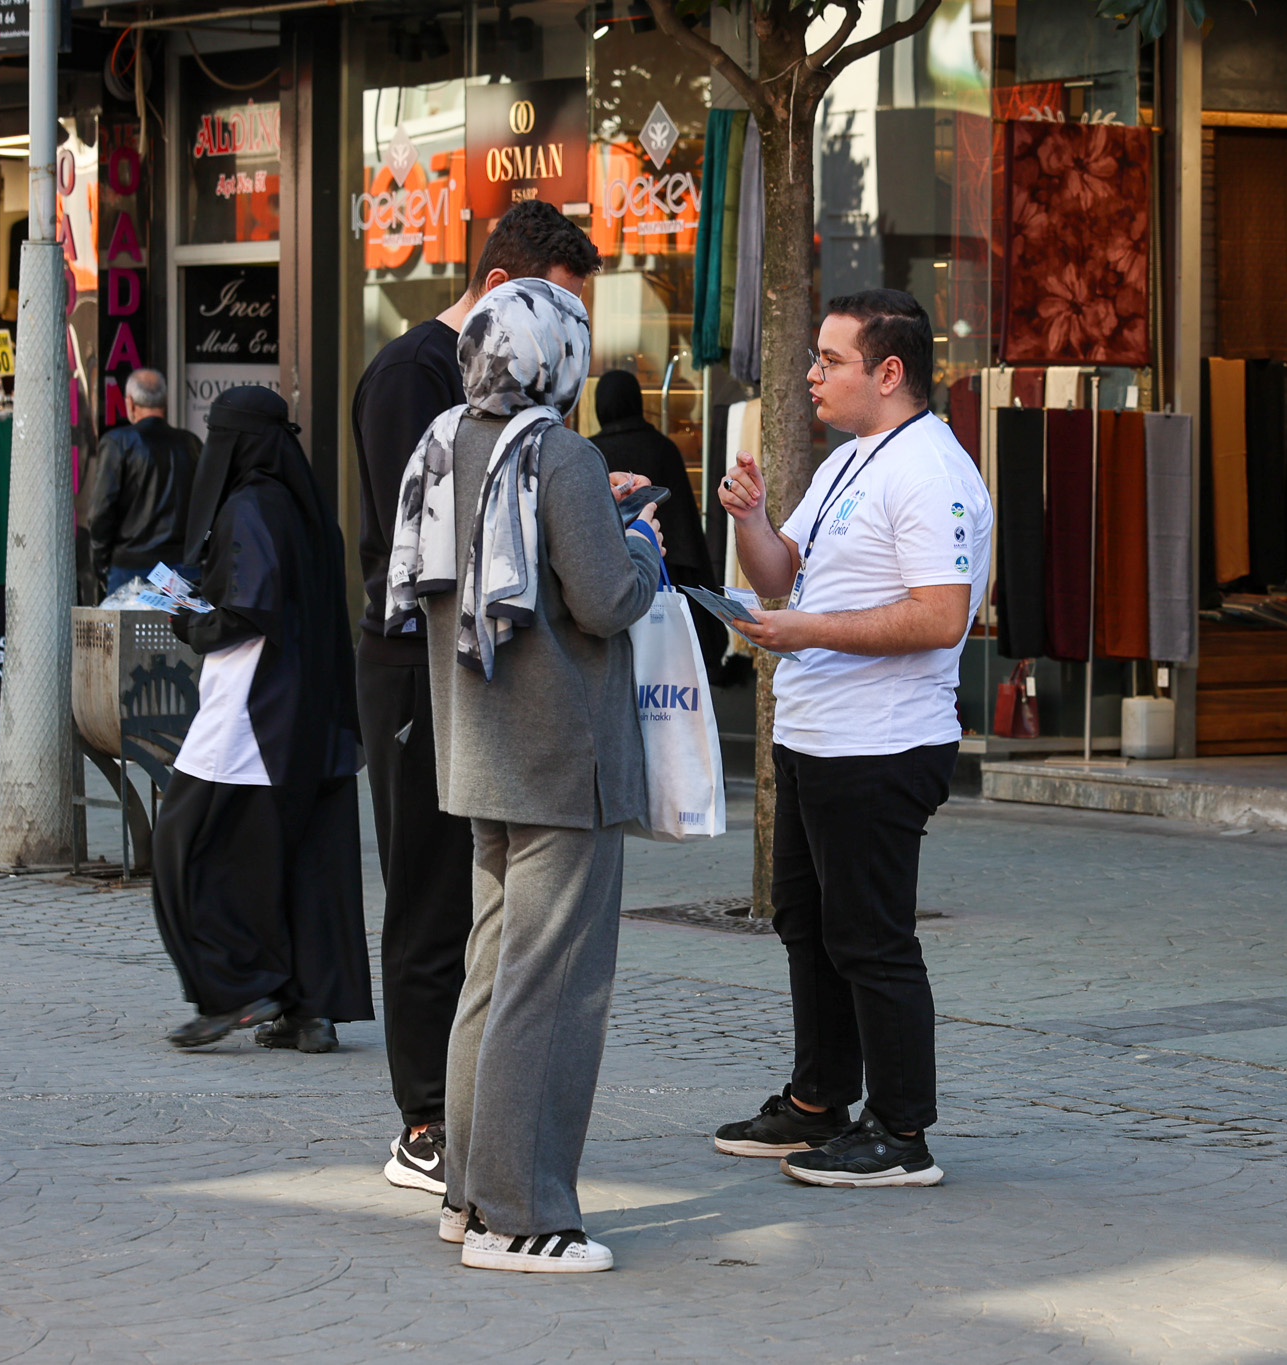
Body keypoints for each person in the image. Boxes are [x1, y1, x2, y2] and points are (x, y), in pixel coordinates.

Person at [386, 278, 662, 1272]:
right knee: (551, 992)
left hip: (480, 752)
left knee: (491, 979)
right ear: (559, 359)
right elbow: (602, 600)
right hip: (562, 756)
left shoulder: (444, 443)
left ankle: (468, 1192)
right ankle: (522, 1215)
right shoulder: (562, 453)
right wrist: (644, 547)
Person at [712, 289, 992, 1189]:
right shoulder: (849, 460)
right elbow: (784, 574)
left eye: (829, 361)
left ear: (890, 371)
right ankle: (820, 1097)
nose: (811, 376)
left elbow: (939, 616)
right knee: (806, 921)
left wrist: (807, 630)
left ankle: (903, 1132)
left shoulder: (933, 471)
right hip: (816, 734)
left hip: (881, 743)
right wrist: (751, 521)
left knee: (871, 937)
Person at [350, 200, 601, 1195]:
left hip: (477, 664)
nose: (566, 339)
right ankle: (422, 1119)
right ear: (501, 289)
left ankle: (470, 1113)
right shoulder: (416, 374)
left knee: (480, 899)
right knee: (425, 887)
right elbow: (436, 535)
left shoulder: (504, 392)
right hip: (417, 664)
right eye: (555, 310)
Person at [149, 386, 372, 1052]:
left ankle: (235, 985)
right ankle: (310, 1009)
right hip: (315, 717)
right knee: (305, 862)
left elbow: (250, 610)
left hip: (252, 709)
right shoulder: (309, 512)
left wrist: (192, 624)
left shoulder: (249, 507)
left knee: (182, 845)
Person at [589, 369, 727, 676]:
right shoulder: (662, 447)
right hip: (668, 574)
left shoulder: (590, 454)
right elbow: (686, 527)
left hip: (606, 582)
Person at [86, 367, 202, 596]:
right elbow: (208, 508)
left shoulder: (118, 443)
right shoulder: (191, 444)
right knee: (179, 631)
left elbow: (101, 511)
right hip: (181, 567)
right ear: (165, 401)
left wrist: (101, 561)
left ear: (129, 403)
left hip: (130, 567)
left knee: (127, 631)